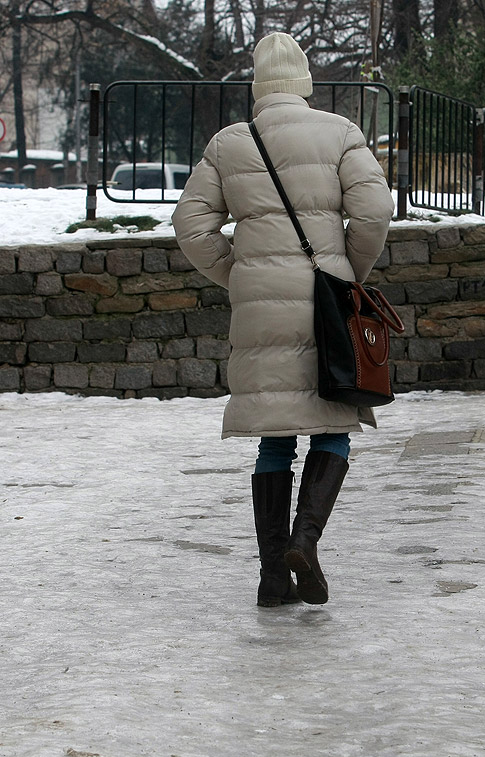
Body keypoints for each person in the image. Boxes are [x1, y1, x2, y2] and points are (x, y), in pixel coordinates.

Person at [172, 32, 394, 607]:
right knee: (334, 424)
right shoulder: (341, 133)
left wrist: (239, 273)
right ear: (305, 84)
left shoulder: (230, 143)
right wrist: (347, 275)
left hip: (258, 307)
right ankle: (306, 541)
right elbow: (373, 211)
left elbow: (191, 226)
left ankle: (274, 576)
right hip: (327, 303)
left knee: (274, 440)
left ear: (256, 87)